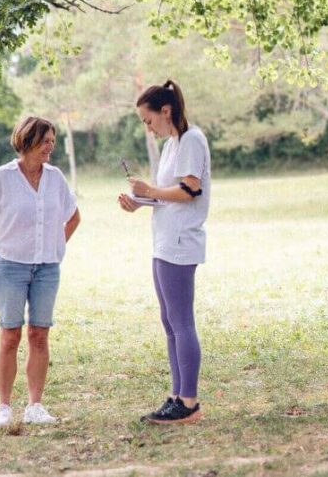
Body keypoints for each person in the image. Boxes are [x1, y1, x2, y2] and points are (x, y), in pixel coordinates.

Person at [0, 116, 81, 430]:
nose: (51, 147)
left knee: (39, 334)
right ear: (28, 141)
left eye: (52, 141)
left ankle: (35, 406)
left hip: (47, 268)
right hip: (10, 266)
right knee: (10, 336)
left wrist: (55, 246)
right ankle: (4, 408)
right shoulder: (3, 177)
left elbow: (73, 218)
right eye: (46, 140)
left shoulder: (56, 177)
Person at [118, 79, 210, 425]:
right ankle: (176, 396)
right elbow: (169, 194)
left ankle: (189, 402)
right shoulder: (173, 144)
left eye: (148, 119)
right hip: (163, 240)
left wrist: (151, 189)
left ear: (166, 111)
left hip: (181, 242)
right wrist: (141, 201)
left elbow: (190, 190)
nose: (148, 127)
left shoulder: (191, 139)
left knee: (182, 321)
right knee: (170, 322)